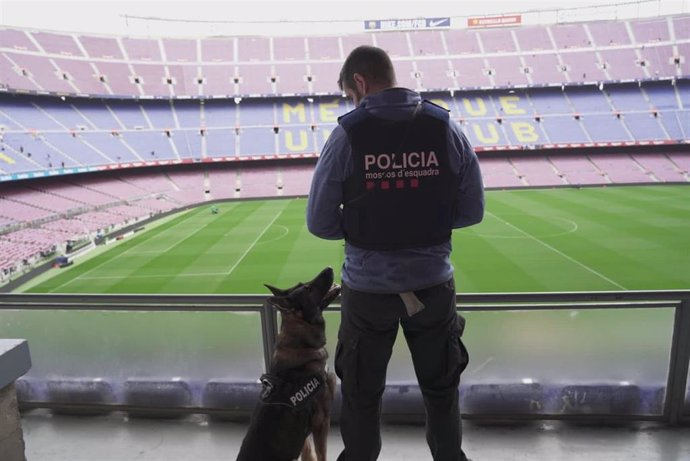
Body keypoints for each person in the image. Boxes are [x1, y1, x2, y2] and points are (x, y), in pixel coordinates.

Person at [306, 45, 484, 461]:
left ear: (360, 83)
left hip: (368, 292)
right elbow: (472, 210)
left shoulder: (346, 135)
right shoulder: (445, 128)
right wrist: (426, 228)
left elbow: (320, 221)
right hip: (433, 285)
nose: (353, 101)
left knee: (364, 395)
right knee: (441, 390)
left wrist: (366, 231)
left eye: (351, 94)